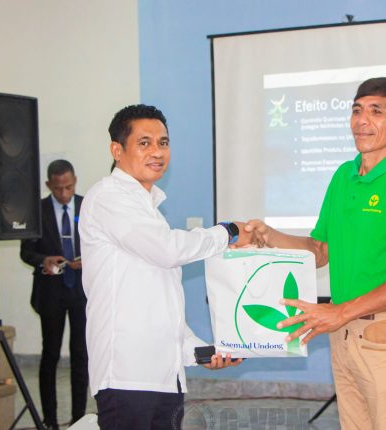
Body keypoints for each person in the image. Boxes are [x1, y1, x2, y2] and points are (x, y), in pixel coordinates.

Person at [245, 77, 386, 430]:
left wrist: (341, 311)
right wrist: (269, 236)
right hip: (342, 331)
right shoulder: (343, 176)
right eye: (357, 111)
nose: (362, 121)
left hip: (381, 332)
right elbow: (319, 251)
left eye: (376, 112)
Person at [79, 104, 245, 430]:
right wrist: (228, 232)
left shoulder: (150, 209)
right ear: (117, 150)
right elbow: (168, 250)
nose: (157, 152)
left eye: (163, 142)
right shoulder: (108, 197)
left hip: (165, 379)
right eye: (144, 143)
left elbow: (163, 304)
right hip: (127, 376)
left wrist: (199, 351)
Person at [20, 160, 87, 429]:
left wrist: (89, 259)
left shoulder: (88, 206)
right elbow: (26, 251)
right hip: (50, 292)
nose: (64, 193)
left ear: (75, 181)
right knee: (50, 354)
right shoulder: (37, 211)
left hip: (82, 291)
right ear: (49, 185)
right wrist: (44, 260)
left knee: (81, 355)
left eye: (69, 187)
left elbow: (101, 243)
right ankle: (50, 420)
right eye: (58, 188)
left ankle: (79, 418)